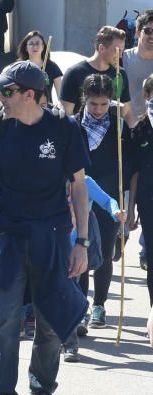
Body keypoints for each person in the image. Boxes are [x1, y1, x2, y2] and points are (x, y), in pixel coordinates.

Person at [0, 61, 90, 395]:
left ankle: (43, 388)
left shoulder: (65, 129)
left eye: (6, 91)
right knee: (6, 318)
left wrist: (80, 241)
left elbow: (79, 187)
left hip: (52, 233)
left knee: (50, 319)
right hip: (7, 232)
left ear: (29, 95)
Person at [72, 75, 131, 339]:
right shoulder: (73, 125)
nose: (98, 110)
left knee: (105, 252)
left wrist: (124, 200)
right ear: (85, 99)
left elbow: (128, 163)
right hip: (81, 193)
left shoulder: (118, 125)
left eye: (103, 104)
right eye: (93, 104)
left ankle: (99, 305)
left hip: (107, 194)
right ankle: (81, 307)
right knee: (81, 251)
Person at [59, 26, 133, 125]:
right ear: (102, 48)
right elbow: (65, 114)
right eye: (117, 51)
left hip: (111, 137)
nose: (120, 56)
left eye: (122, 51)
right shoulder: (74, 73)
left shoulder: (120, 74)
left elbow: (126, 112)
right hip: (81, 135)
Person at [127, 77, 153, 307]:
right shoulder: (140, 130)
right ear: (147, 96)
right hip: (148, 200)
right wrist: (131, 207)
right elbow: (134, 173)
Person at [16, 31, 63, 104]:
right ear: (26, 47)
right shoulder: (19, 67)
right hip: (24, 109)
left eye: (37, 43)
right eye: (31, 44)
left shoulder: (52, 67)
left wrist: (61, 108)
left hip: (45, 109)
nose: (34, 47)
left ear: (43, 47)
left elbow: (60, 95)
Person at [123, 10, 153, 119]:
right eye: (148, 31)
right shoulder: (122, 58)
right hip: (125, 126)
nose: (152, 36)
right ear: (138, 32)